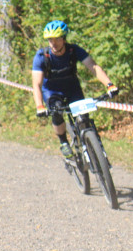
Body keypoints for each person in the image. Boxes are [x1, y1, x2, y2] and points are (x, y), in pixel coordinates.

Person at [32, 20, 118, 159]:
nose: (53, 43)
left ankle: (93, 145)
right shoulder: (42, 56)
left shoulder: (74, 50)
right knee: (57, 111)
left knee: (83, 117)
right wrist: (40, 106)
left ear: (64, 38)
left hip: (72, 88)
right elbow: (36, 84)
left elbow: (93, 67)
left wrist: (109, 84)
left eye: (57, 39)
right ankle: (63, 142)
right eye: (50, 40)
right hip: (52, 92)